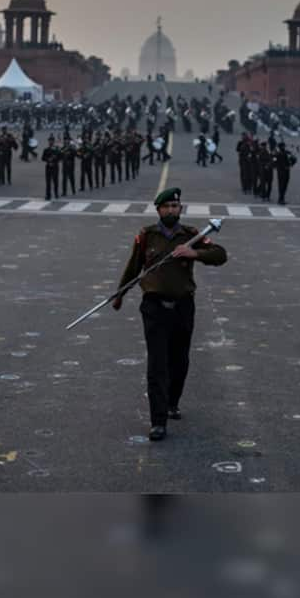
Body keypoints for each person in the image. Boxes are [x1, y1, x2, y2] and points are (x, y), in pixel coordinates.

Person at [111, 188, 228, 442]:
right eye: (167, 207)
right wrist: (120, 294)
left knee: (179, 360)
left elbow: (220, 255)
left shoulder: (192, 236)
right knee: (157, 364)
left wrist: (194, 253)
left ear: (180, 209)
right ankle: (158, 420)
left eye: (176, 206)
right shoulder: (147, 236)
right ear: (158, 210)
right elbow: (133, 267)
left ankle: (173, 402)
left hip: (183, 306)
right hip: (154, 306)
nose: (172, 210)